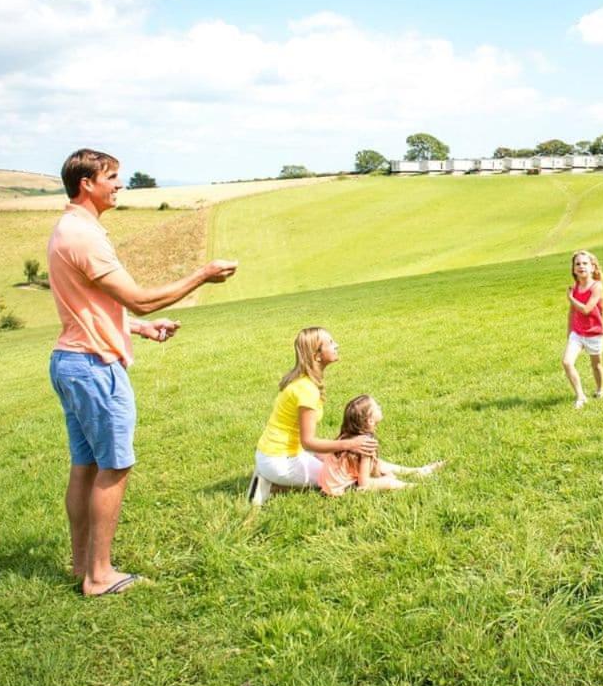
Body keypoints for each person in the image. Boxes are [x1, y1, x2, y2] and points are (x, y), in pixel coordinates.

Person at [48, 148, 238, 596]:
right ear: (86, 184)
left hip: (71, 360)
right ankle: (99, 576)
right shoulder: (84, 236)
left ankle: (82, 565)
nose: (119, 185)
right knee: (114, 466)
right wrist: (202, 275)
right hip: (94, 367)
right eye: (112, 177)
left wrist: (137, 328)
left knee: (85, 466)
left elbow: (89, 306)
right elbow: (140, 298)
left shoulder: (69, 229)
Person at [248, 327, 379, 505]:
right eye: (331, 343)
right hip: (280, 460)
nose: (337, 345)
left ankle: (414, 471)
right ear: (316, 355)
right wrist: (350, 444)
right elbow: (308, 441)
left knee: (344, 462)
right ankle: (271, 486)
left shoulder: (304, 381)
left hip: (278, 453)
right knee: (341, 479)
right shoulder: (306, 389)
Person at [317, 394, 444, 495]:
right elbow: (364, 483)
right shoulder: (365, 444)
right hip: (342, 490)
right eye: (377, 406)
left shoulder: (347, 437)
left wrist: (379, 474)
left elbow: (372, 465)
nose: (380, 406)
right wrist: (383, 480)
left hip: (331, 485)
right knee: (389, 482)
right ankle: (417, 487)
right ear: (370, 420)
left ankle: (417, 472)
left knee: (380, 464)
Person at [562, 249, 603, 409]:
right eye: (577, 264)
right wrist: (569, 332)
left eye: (585, 263)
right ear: (573, 269)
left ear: (592, 267)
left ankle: (600, 389)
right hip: (577, 333)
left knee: (596, 365)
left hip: (594, 332)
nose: (581, 266)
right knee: (567, 362)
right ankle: (580, 396)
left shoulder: (597, 287)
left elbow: (586, 309)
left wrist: (571, 299)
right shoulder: (575, 287)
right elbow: (572, 311)